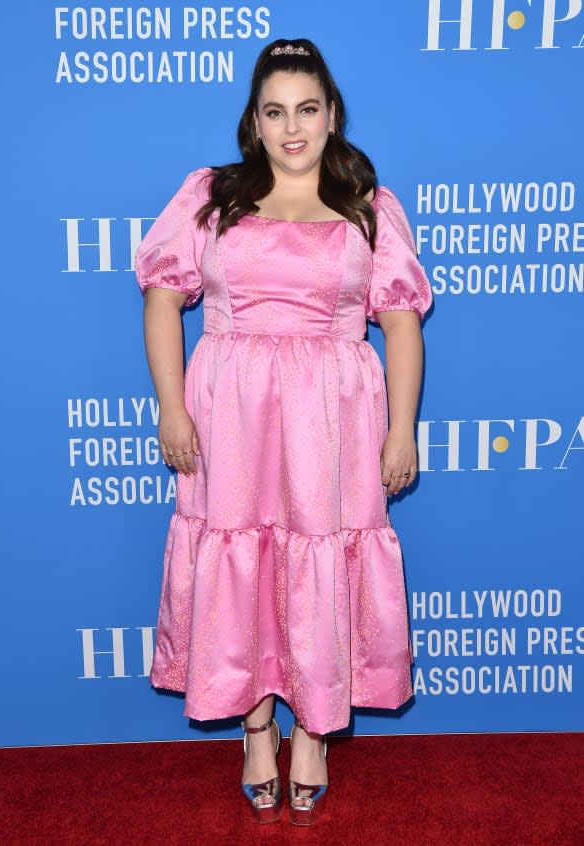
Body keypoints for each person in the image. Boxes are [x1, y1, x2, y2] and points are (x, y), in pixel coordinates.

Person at [134, 37, 433, 827]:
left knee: (320, 560)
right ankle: (254, 724)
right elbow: (163, 300)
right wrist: (170, 404)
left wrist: (402, 429)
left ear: (331, 116)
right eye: (275, 112)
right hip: (231, 409)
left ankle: (313, 729)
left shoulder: (370, 205)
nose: (292, 128)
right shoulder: (213, 196)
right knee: (241, 551)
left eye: (307, 109)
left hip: (332, 416)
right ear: (254, 121)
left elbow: (400, 326)